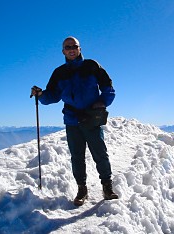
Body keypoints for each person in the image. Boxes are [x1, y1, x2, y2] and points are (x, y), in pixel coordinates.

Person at [31, 36, 118, 206]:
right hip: (72, 120)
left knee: (100, 154)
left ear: (79, 48)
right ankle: (82, 189)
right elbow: (53, 95)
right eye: (67, 47)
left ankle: (107, 187)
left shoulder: (92, 66)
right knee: (77, 156)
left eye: (74, 46)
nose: (71, 49)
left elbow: (108, 87)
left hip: (92, 118)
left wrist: (103, 102)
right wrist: (41, 95)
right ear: (63, 51)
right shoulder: (59, 73)